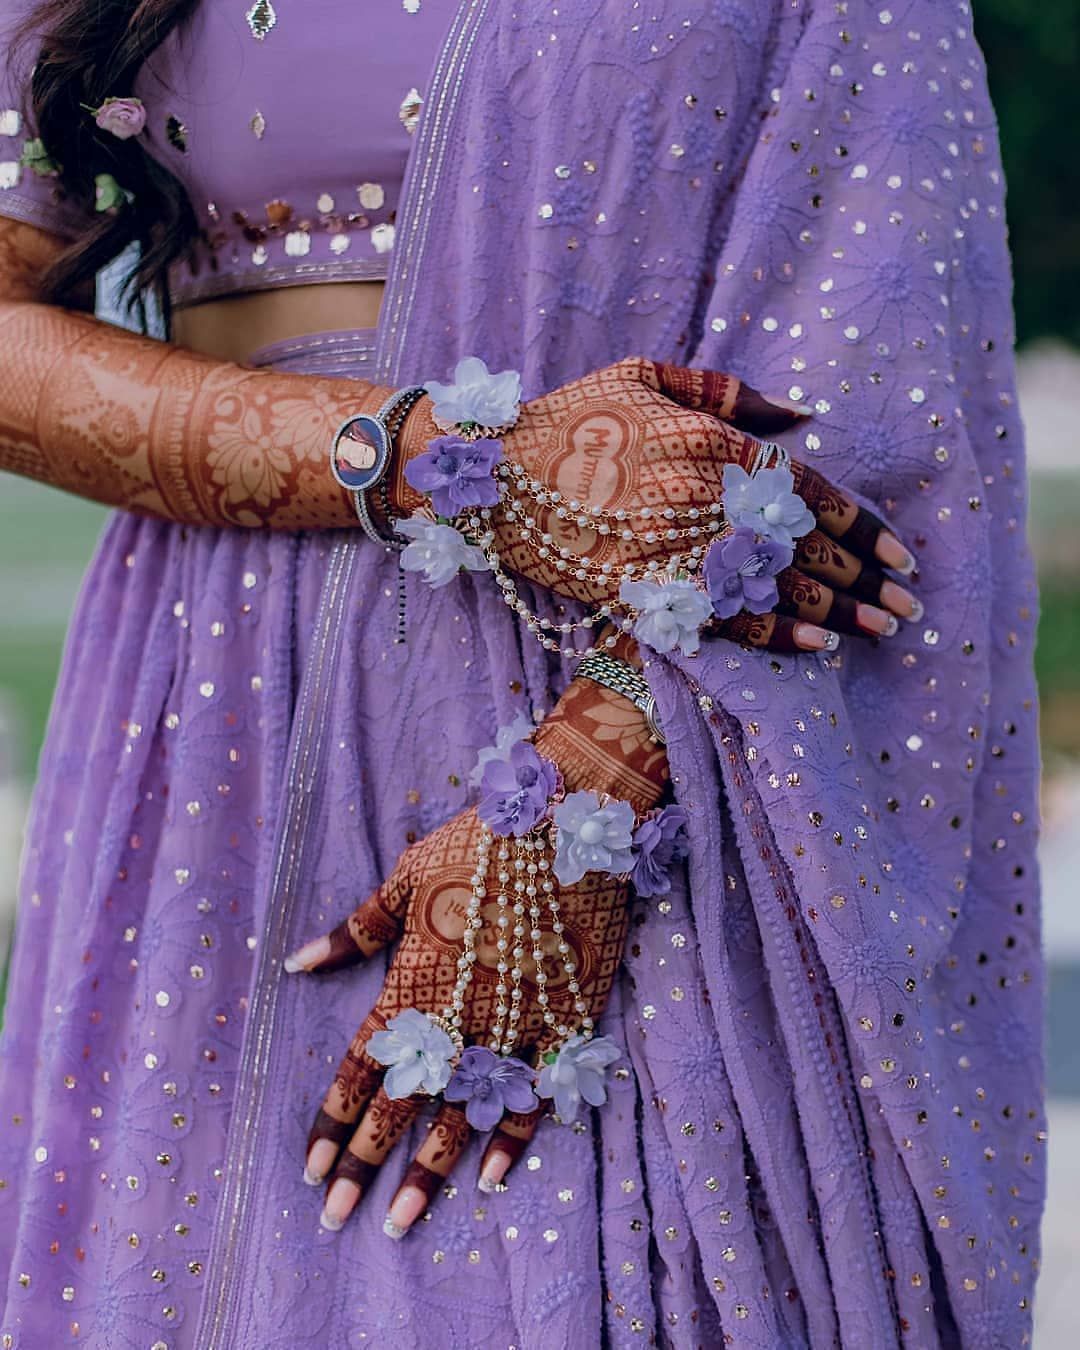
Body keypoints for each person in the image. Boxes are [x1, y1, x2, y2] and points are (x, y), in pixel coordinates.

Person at [0, 2, 1045, 1345]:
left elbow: (882, 385)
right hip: (218, 732)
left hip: (638, 738)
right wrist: (437, 456)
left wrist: (587, 801)